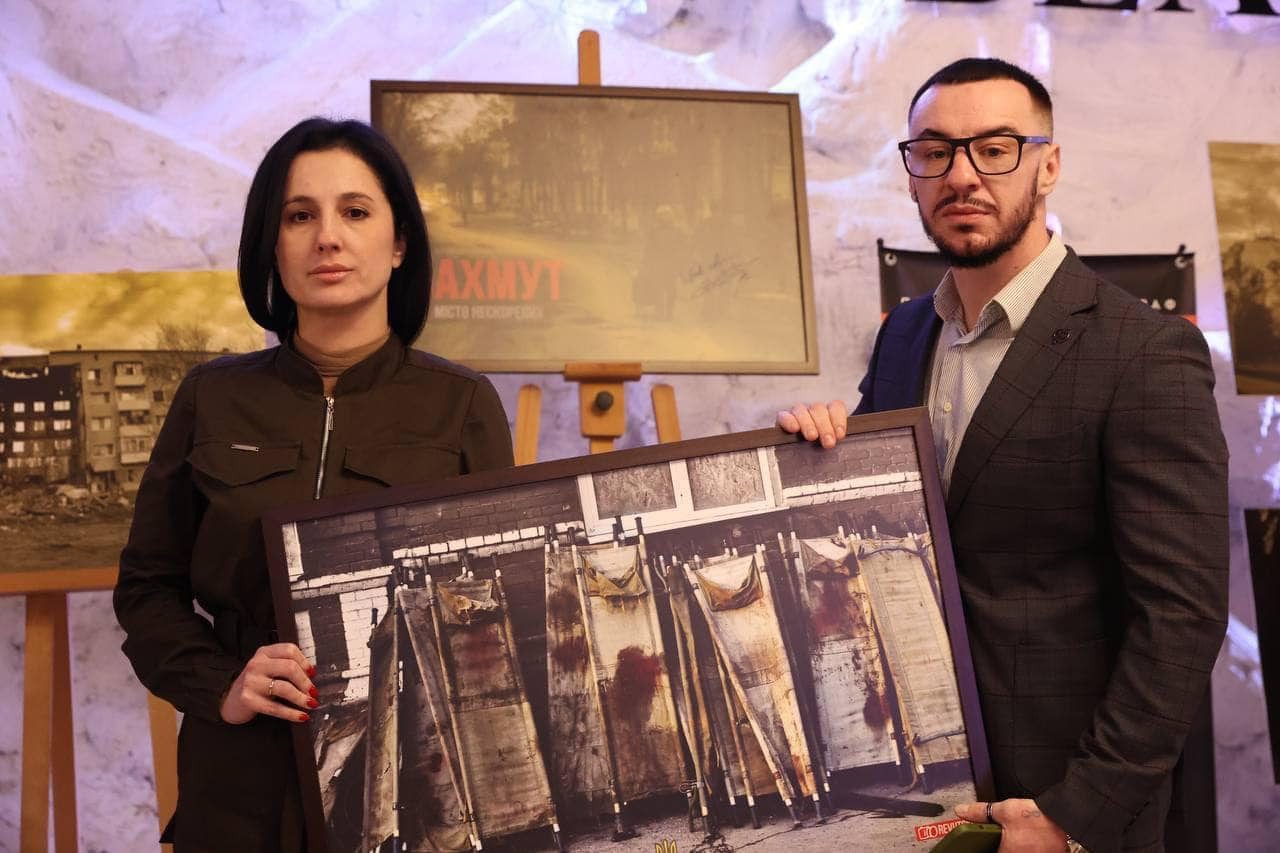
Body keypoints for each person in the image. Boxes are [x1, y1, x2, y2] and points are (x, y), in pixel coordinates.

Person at [780, 58, 1228, 853]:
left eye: (994, 149)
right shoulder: (905, 334)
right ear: (911, 175)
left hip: (1059, 811)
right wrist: (825, 446)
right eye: (934, 152)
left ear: (1048, 166)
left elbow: (1181, 619)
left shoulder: (1145, 351)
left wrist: (1075, 813)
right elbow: (891, 518)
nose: (961, 175)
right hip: (919, 799)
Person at [113, 118, 514, 851]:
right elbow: (146, 588)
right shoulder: (211, 396)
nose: (327, 237)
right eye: (299, 216)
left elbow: (498, 591)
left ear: (399, 243)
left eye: (355, 211)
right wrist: (221, 684)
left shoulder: (461, 405)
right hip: (239, 785)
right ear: (272, 245)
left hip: (412, 774)